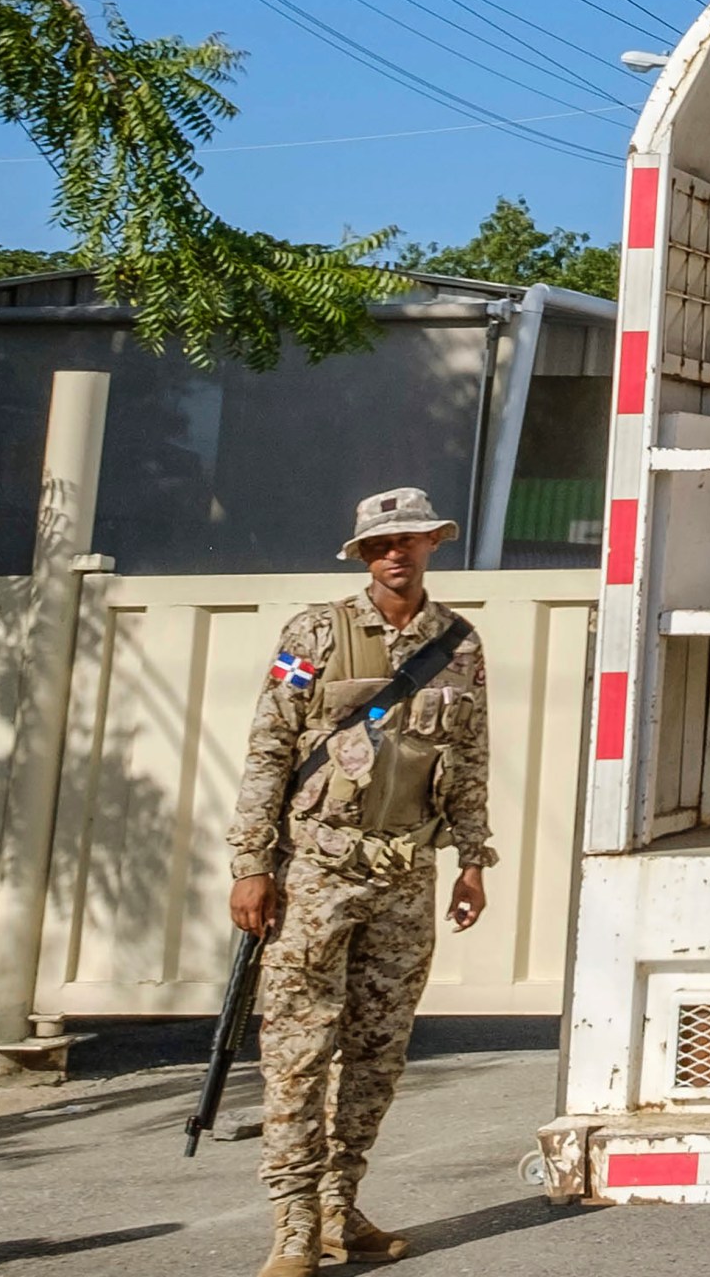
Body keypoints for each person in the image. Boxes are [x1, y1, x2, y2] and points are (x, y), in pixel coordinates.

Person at [229, 489, 494, 1275]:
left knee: (378, 1053)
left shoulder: (460, 644)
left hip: (406, 873)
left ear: (432, 546)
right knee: (299, 1052)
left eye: (410, 540)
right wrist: (251, 865)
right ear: (362, 554)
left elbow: (471, 756)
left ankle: (342, 1204)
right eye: (382, 544)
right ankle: (294, 1223)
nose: (396, 554)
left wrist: (473, 857)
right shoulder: (310, 635)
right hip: (316, 871)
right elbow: (269, 749)